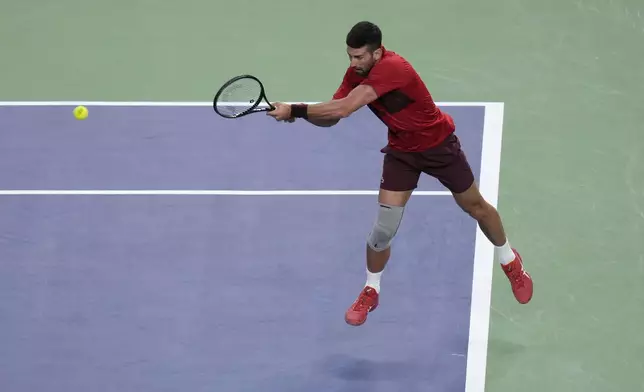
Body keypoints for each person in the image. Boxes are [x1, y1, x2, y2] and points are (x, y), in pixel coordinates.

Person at [267, 21, 533, 326]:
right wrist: (297, 117)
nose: (353, 64)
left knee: (476, 208)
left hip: (439, 147)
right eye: (350, 57)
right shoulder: (356, 73)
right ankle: (371, 289)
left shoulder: (394, 68)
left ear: (377, 52)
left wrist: (296, 109)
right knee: (383, 230)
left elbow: (344, 108)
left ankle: (510, 261)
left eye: (359, 57)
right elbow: (332, 115)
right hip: (402, 153)